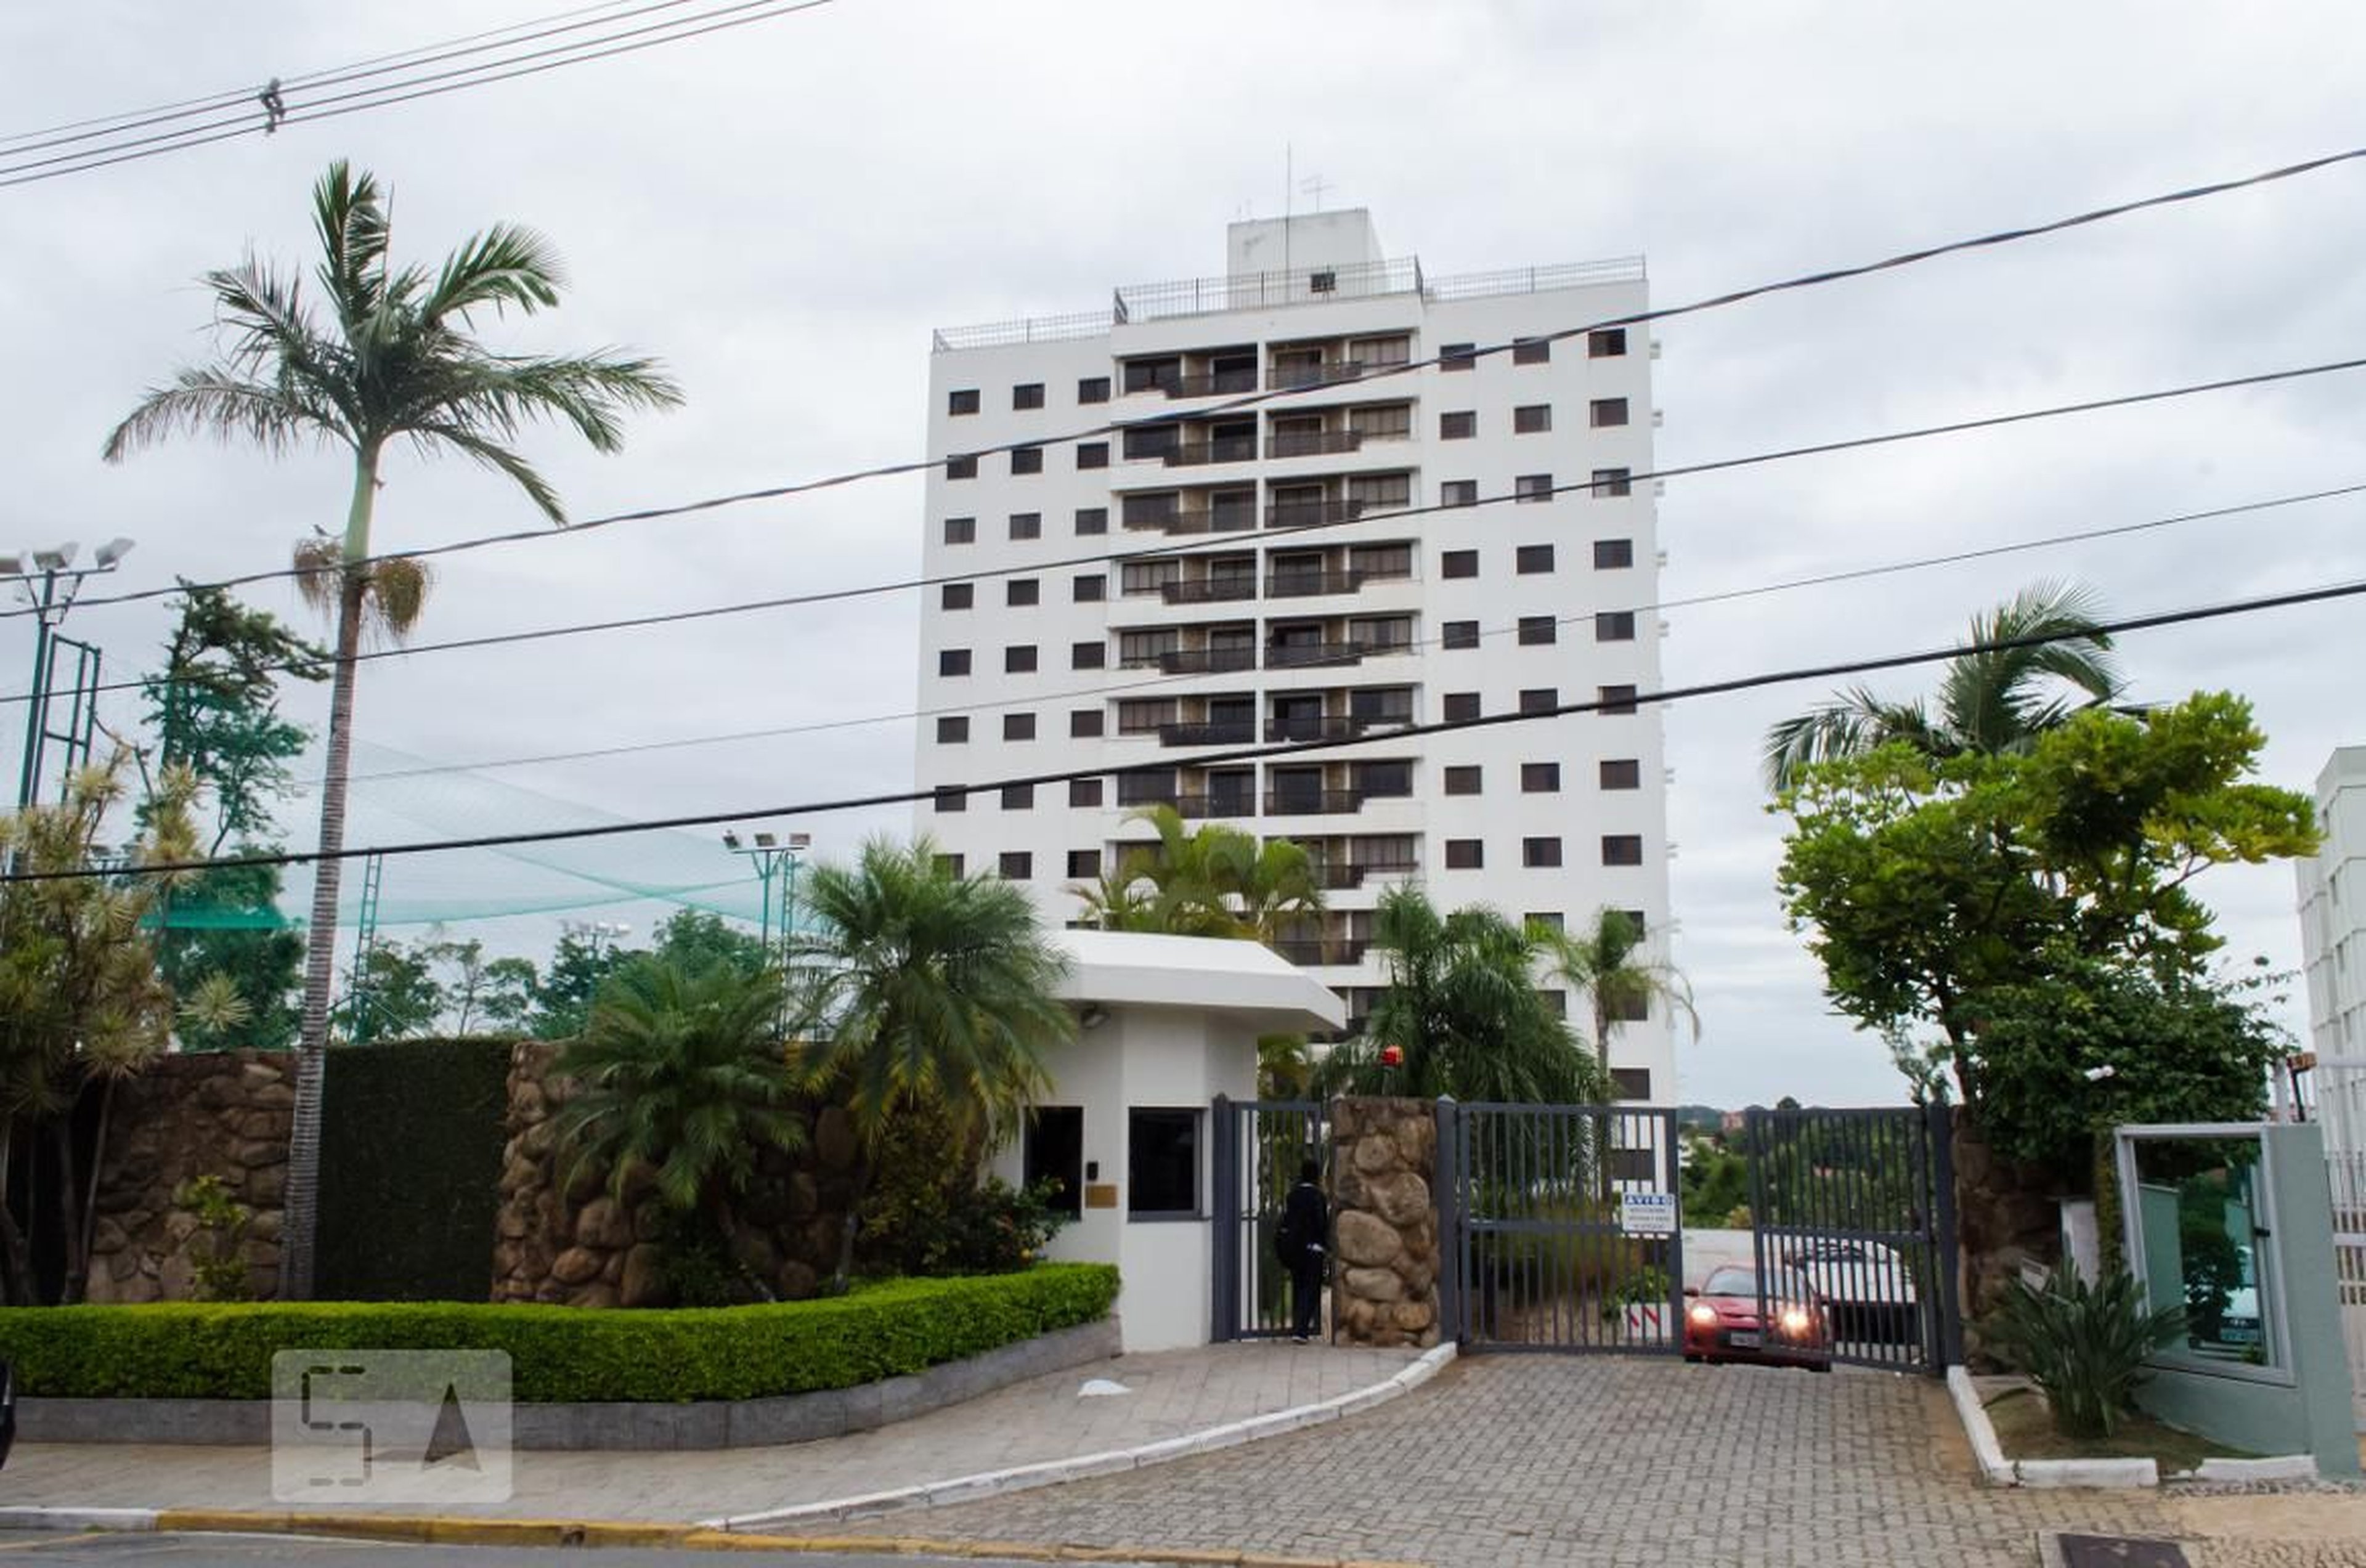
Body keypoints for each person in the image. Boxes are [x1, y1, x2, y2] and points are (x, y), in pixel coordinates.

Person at [1275, 1156, 1327, 1343]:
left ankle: (1297, 1326)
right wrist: (1325, 1244)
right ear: (1317, 1176)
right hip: (1313, 1249)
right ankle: (1302, 1330)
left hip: (1295, 1249)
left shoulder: (1293, 1195)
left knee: (1298, 1287)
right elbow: (1321, 1224)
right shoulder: (1318, 1196)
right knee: (1311, 1289)